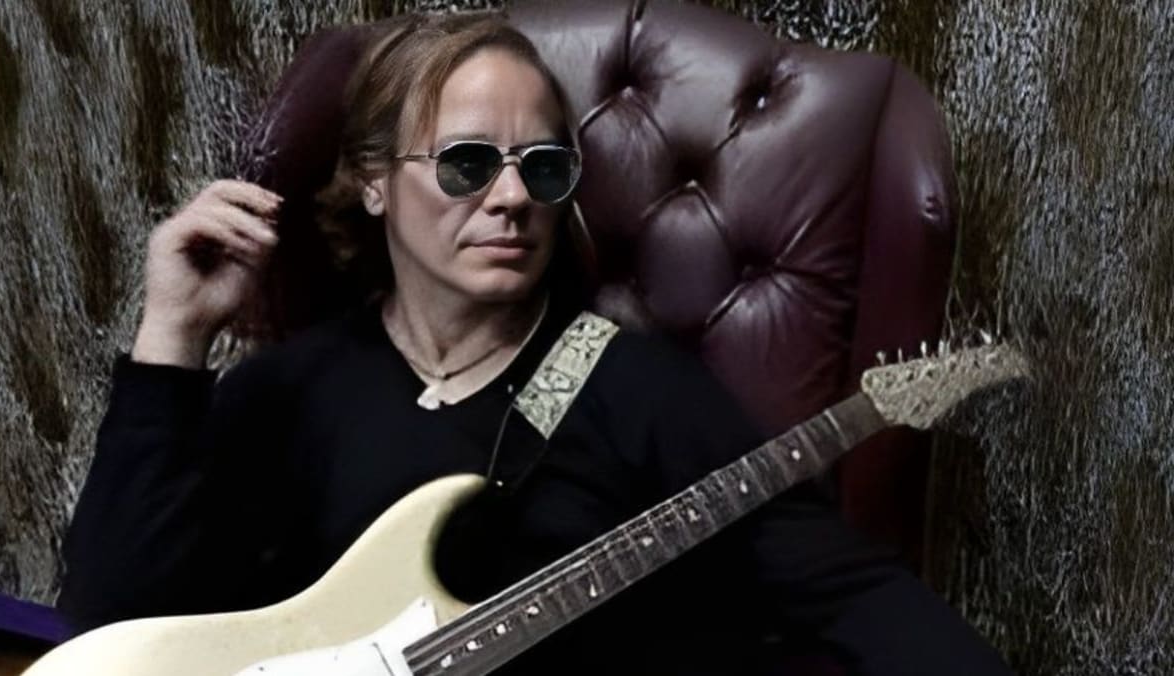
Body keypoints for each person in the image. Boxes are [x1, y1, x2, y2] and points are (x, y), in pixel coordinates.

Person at [57, 12, 1013, 675]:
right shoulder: (287, 390)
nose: (512, 197)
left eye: (544, 168)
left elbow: (848, 593)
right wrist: (172, 335)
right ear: (375, 181)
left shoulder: (640, 393)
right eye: (468, 163)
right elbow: (115, 623)